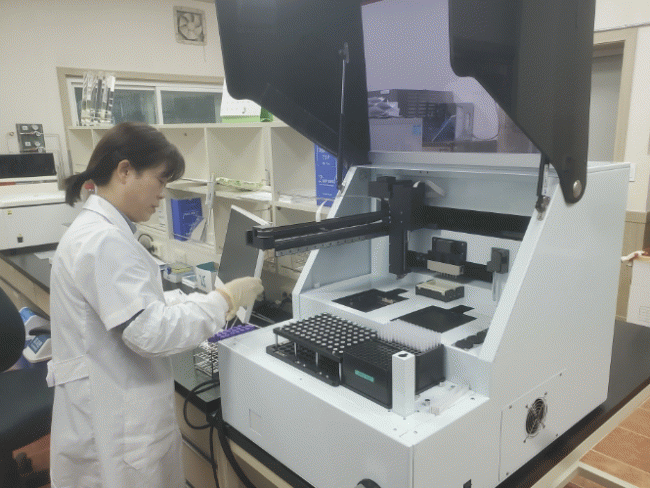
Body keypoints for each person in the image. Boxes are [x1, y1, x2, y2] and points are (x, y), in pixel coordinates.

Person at [46, 122, 263, 488]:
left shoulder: (97, 230)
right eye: (161, 180)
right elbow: (150, 333)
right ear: (125, 171)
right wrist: (221, 301)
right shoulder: (103, 241)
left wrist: (199, 301)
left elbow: (138, 308)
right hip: (117, 422)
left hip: (105, 404)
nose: (163, 194)